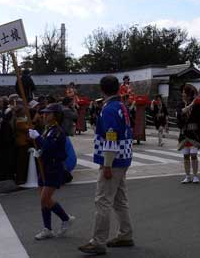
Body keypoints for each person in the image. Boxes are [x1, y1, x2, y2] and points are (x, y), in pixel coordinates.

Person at [79, 75, 134, 255]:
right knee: (119, 199)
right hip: (124, 157)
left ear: (102, 90)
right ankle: (125, 234)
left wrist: (107, 164)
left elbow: (111, 136)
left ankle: (98, 241)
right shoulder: (121, 107)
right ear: (118, 88)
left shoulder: (109, 109)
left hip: (113, 160)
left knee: (102, 200)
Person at [28, 103, 75, 240]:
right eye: (44, 113)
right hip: (45, 166)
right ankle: (47, 228)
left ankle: (66, 219)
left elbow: (50, 147)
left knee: (45, 198)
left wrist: (37, 138)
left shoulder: (58, 132)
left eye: (48, 113)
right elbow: (46, 149)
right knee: (43, 200)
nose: (44, 115)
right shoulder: (48, 129)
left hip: (54, 168)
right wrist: (39, 152)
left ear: (56, 115)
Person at [177, 84, 200, 184]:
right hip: (184, 134)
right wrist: (191, 105)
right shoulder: (180, 104)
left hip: (194, 134)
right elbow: (180, 113)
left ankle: (195, 175)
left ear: (189, 95)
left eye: (184, 93)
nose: (183, 94)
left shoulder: (197, 105)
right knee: (186, 155)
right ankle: (187, 176)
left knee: (193, 154)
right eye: (182, 93)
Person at [13, 105, 33, 185]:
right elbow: (28, 129)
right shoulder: (19, 122)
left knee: (24, 161)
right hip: (22, 143)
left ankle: (23, 177)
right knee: (21, 162)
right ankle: (20, 178)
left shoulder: (22, 120)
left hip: (24, 142)